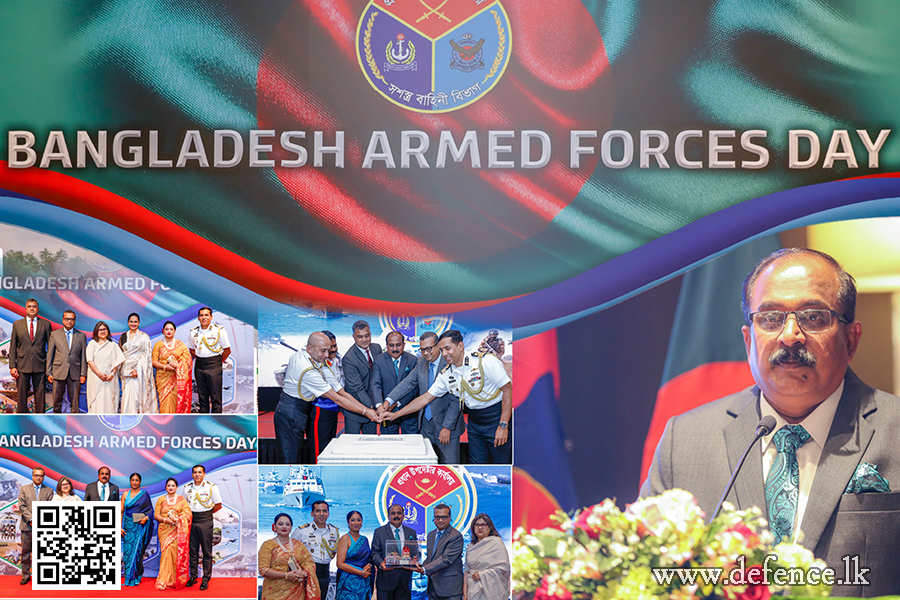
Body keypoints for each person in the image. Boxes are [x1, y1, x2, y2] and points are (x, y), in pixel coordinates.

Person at [641, 247, 900, 597]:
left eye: (813, 317)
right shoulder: (684, 441)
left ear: (851, 339)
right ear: (749, 340)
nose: (790, 335)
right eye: (770, 318)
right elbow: (646, 576)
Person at [381, 330, 512, 464]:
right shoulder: (447, 373)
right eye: (442, 350)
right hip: (474, 421)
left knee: (501, 463)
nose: (444, 354)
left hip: (496, 417)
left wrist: (503, 425)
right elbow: (424, 398)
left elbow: (508, 389)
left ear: (460, 346)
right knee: (476, 464)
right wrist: (394, 415)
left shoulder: (485, 361)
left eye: (447, 348)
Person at [275, 332, 377, 464]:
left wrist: (367, 409)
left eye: (328, 350)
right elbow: (337, 399)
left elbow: (341, 391)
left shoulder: (308, 357)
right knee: (289, 457)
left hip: (301, 410)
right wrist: (367, 412)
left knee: (297, 453)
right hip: (290, 412)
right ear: (310, 348)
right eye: (323, 351)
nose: (327, 355)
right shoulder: (308, 371)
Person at [384, 331, 464, 463]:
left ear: (438, 345)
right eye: (422, 350)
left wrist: (447, 427)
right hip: (426, 424)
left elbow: (456, 400)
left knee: (449, 467)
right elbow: (408, 383)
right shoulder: (421, 362)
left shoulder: (451, 361)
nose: (426, 353)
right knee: (427, 464)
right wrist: (389, 400)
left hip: (447, 425)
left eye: (429, 348)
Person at [260, 513, 320, 600]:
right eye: (280, 524)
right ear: (275, 527)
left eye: (287, 524)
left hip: (297, 592)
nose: (284, 526)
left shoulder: (298, 545)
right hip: (274, 592)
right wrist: (286, 575)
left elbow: (309, 563)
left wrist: (303, 573)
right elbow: (263, 570)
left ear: (291, 527)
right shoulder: (268, 545)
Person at [305, 330, 343, 461]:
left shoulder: (336, 360)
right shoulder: (316, 364)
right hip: (320, 409)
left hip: (334, 409)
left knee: (329, 445)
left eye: (334, 346)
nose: (333, 350)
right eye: (328, 348)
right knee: (318, 448)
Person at [183, 464, 222, 591]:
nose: (197, 474)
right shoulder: (187, 488)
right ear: (192, 474)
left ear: (204, 474)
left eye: (200, 472)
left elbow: (218, 505)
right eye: (195, 472)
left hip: (205, 520)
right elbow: (183, 506)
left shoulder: (211, 487)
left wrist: (206, 515)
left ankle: (206, 578)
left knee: (206, 551)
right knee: (192, 551)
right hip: (191, 520)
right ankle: (193, 576)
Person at [372, 331, 419, 434]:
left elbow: (414, 387)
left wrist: (396, 403)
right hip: (386, 412)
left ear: (403, 345)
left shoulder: (413, 360)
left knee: (411, 446)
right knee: (389, 446)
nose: (394, 349)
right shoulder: (378, 360)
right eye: (391, 345)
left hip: (408, 412)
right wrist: (380, 405)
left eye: (398, 345)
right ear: (386, 345)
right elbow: (375, 385)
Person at [9, 298, 51, 413]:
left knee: (40, 396)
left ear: (37, 309)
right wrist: (12, 366)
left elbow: (51, 347)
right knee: (21, 396)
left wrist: (49, 367)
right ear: (26, 309)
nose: (32, 308)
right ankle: (21, 419)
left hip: (40, 364)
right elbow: (13, 347)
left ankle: (40, 419)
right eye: (29, 306)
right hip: (22, 365)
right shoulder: (17, 324)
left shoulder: (46, 324)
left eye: (34, 306)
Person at [342, 320, 383, 434]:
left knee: (370, 443)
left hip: (373, 407)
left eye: (367, 335)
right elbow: (357, 389)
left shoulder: (377, 348)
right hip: (355, 410)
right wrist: (374, 407)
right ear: (353, 337)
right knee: (353, 445)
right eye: (360, 337)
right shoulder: (349, 358)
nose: (364, 340)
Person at [292, 500, 340, 597]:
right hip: (306, 574)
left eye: (324, 511)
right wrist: (297, 573)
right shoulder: (301, 531)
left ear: (328, 513)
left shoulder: (334, 531)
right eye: (318, 511)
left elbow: (333, 552)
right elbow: (290, 554)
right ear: (312, 513)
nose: (321, 514)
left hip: (325, 573)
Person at [371, 503, 419, 600]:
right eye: (393, 513)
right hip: (385, 582)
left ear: (403, 516)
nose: (396, 516)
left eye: (399, 513)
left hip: (404, 582)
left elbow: (415, 551)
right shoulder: (379, 532)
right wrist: (381, 563)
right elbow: (374, 553)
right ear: (388, 516)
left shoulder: (411, 532)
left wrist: (415, 559)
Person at [188, 306, 231, 413]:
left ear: (211, 317)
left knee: (216, 398)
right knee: (202, 398)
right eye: (201, 315)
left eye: (206, 315)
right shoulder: (193, 332)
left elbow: (227, 350)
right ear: (198, 318)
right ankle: (205, 420)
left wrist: (217, 362)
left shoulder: (219, 331)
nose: (204, 317)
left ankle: (217, 423)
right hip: (200, 366)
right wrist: (202, 358)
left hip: (214, 365)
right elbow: (192, 350)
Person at [46, 310, 87, 413]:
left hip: (75, 372)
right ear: (63, 320)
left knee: (75, 402)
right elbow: (50, 354)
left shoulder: (81, 335)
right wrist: (49, 372)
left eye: (72, 319)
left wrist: (83, 374)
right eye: (67, 319)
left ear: (75, 320)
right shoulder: (54, 334)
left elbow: (83, 356)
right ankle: (56, 421)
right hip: (58, 371)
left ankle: (75, 423)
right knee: (57, 400)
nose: (69, 321)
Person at [155, 477, 193, 590]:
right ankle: (164, 580)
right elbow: (156, 515)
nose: (171, 487)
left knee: (177, 555)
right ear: (166, 487)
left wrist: (178, 519)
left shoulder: (181, 499)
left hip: (178, 531)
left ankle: (175, 580)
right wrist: (166, 520)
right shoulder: (161, 500)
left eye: (173, 485)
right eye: (169, 485)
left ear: (176, 487)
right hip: (165, 530)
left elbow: (188, 514)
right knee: (166, 555)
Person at [17, 467, 53, 584]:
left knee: (43, 553)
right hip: (27, 526)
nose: (38, 477)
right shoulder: (24, 489)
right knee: (26, 552)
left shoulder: (49, 491)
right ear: (32, 476)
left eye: (41, 475)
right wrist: (31, 519)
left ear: (44, 477)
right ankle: (26, 576)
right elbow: (22, 506)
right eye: (36, 475)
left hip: (43, 527)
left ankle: (41, 576)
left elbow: (50, 509)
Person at [420, 504, 464, 600]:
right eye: (437, 517)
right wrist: (417, 565)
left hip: (450, 589)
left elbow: (446, 560)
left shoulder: (456, 536)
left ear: (449, 518)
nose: (440, 520)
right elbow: (431, 558)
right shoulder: (431, 535)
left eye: (444, 517)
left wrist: (424, 569)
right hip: (433, 588)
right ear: (434, 518)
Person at [464, 514, 509, 600]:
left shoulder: (496, 543)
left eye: (483, 525)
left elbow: (504, 569)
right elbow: (467, 572)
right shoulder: (470, 547)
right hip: (473, 592)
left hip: (493, 592)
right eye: (477, 525)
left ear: (489, 527)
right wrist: (465, 593)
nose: (480, 527)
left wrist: (482, 575)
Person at [121, 472, 154, 587]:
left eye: (137, 480)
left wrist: (146, 518)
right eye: (132, 480)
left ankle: (135, 577)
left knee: (137, 552)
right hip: (128, 527)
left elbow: (150, 511)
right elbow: (121, 511)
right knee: (127, 553)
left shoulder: (144, 495)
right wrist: (119, 527)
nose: (134, 482)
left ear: (140, 482)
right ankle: (128, 575)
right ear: (130, 481)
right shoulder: (125, 494)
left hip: (139, 527)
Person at [152, 321, 193, 413]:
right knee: (164, 403)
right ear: (163, 331)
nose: (169, 331)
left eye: (171, 329)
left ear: (174, 331)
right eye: (166, 329)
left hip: (177, 378)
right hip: (163, 378)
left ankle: (177, 423)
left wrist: (178, 366)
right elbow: (153, 361)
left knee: (177, 401)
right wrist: (165, 367)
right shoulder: (158, 345)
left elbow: (188, 360)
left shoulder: (180, 344)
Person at [86, 321, 125, 413]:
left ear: (108, 331)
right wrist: (100, 375)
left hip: (109, 379)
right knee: (96, 402)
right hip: (96, 378)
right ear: (96, 332)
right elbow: (90, 361)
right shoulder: (92, 344)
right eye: (100, 330)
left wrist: (112, 373)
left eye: (104, 329)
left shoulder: (113, 345)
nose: (102, 331)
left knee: (108, 401)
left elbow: (117, 361)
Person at [120, 313, 155, 414]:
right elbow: (121, 354)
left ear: (139, 323)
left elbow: (147, 355)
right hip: (126, 372)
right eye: (131, 321)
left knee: (137, 398)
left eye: (135, 322)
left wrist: (137, 369)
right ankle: (127, 421)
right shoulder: (123, 336)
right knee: (127, 397)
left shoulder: (144, 337)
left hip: (139, 373)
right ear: (128, 323)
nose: (133, 324)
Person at [335, 510, 373, 600]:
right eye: (353, 520)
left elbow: (368, 558)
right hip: (347, 583)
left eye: (358, 520)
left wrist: (369, 565)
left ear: (362, 522)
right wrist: (361, 572)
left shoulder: (365, 539)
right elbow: (340, 564)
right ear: (348, 523)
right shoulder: (345, 539)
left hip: (363, 582)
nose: (356, 523)